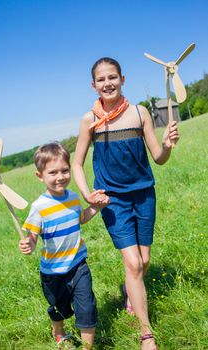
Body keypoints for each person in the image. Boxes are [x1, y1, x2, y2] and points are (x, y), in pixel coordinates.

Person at [72, 57, 179, 350]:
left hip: (144, 195)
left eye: (113, 77)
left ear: (123, 79)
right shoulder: (89, 120)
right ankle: (147, 334)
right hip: (113, 200)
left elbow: (158, 157)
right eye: (102, 79)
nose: (108, 83)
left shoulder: (139, 113)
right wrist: (87, 194)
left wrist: (167, 145)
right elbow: (77, 163)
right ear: (93, 85)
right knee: (132, 262)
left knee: (143, 262)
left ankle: (130, 291)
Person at [19, 142, 109, 350]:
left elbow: (82, 218)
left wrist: (96, 207)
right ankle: (58, 331)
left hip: (78, 264)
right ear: (40, 176)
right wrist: (28, 244)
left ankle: (87, 347)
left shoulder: (74, 198)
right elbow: (32, 235)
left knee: (86, 306)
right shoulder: (39, 207)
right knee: (59, 308)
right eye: (53, 172)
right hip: (53, 271)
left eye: (65, 170)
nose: (60, 176)